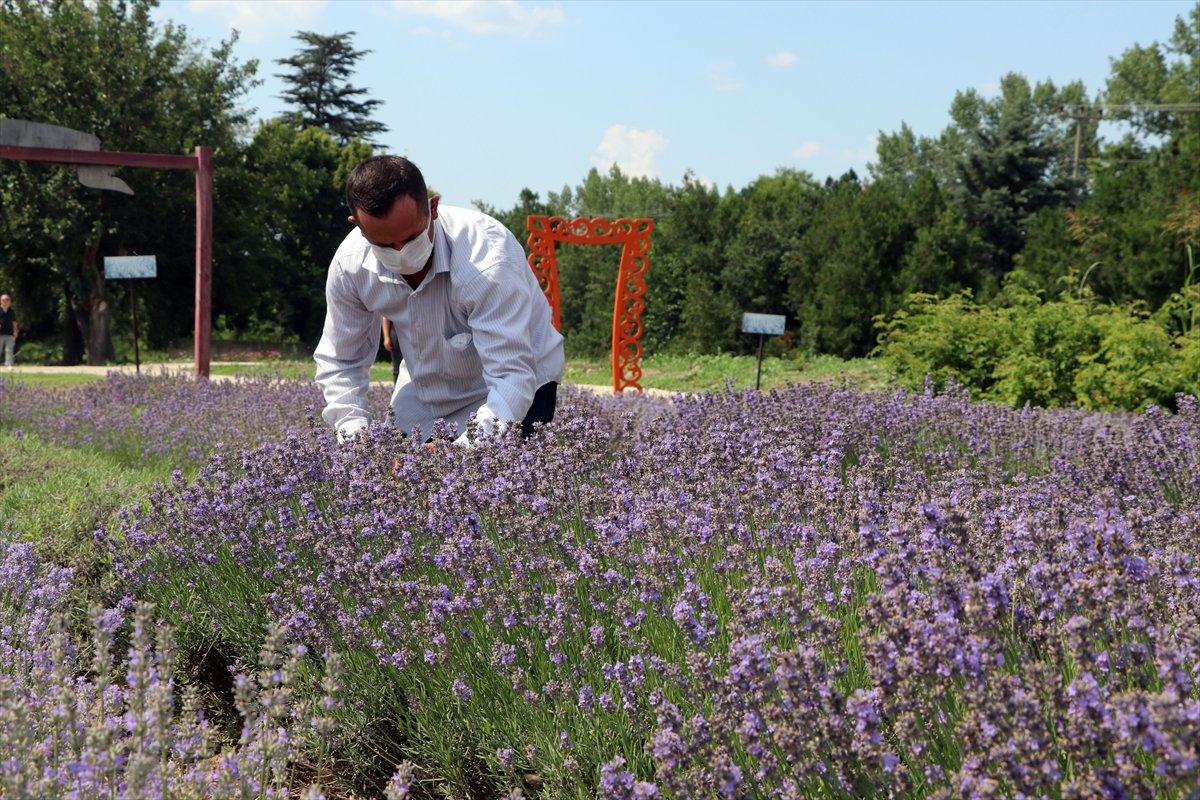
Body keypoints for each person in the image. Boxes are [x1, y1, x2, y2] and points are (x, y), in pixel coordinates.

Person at [315, 155, 564, 446]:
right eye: (384, 245)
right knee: (397, 477)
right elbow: (342, 361)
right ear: (357, 225)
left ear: (433, 208)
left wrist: (456, 456)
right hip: (425, 385)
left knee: (495, 480)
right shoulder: (350, 265)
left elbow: (511, 376)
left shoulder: (486, 258)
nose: (400, 253)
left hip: (520, 382)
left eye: (411, 239)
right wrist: (356, 439)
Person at [380, 316, 402, 383]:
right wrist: (386, 337)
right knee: (397, 369)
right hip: (396, 333)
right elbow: (385, 316)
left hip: (411, 332)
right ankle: (397, 390)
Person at [0, 294, 18, 369]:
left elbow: (14, 322)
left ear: (9, 301)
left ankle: (9, 365)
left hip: (10, 333)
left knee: (9, 350)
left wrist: (16, 331)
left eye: (7, 299)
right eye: (3, 300)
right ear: (1, 301)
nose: (5, 301)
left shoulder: (11, 311)